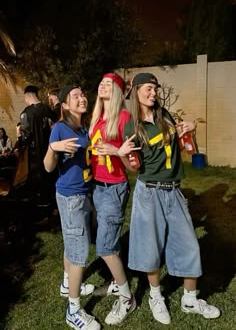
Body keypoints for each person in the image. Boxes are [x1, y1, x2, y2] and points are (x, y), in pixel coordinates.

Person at [119, 72, 220, 325]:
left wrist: (191, 131)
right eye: (148, 88)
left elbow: (188, 150)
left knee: (189, 245)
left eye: (155, 88)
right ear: (136, 91)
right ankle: (156, 296)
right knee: (150, 246)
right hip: (149, 192)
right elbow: (134, 167)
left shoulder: (165, 116)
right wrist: (122, 155)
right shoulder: (131, 125)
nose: (154, 92)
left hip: (173, 190)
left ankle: (190, 299)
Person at [44, 85, 100, 330]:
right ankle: (73, 311)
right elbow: (48, 167)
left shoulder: (83, 127)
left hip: (83, 192)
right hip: (71, 197)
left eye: (82, 94)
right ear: (64, 105)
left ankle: (67, 285)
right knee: (79, 251)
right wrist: (52, 149)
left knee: (72, 242)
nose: (82, 97)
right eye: (75, 96)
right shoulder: (60, 128)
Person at [89, 73, 136, 326]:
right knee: (107, 240)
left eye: (108, 83)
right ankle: (117, 284)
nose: (102, 85)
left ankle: (127, 298)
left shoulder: (124, 119)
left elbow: (134, 166)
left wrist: (117, 151)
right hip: (97, 187)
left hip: (114, 188)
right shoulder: (97, 119)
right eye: (101, 82)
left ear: (117, 91)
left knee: (106, 246)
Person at [20, 85, 56, 207]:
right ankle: (53, 206)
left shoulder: (26, 114)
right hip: (51, 152)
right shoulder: (48, 110)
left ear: (26, 96)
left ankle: (42, 207)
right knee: (51, 179)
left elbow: (26, 136)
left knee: (38, 183)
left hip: (35, 156)